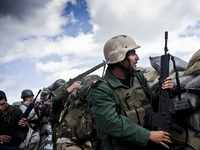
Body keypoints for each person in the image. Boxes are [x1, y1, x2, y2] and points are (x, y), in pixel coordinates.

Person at [87, 35, 174, 150]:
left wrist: (165, 91)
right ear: (119, 57)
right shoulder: (99, 90)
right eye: (132, 53)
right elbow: (112, 124)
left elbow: (153, 102)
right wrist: (148, 135)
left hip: (148, 143)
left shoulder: (138, 78)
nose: (137, 57)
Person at [54, 75, 100, 150]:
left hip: (84, 141)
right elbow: (84, 91)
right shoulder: (76, 96)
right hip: (69, 141)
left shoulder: (92, 102)